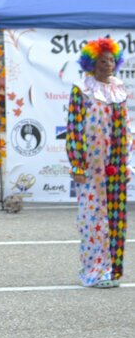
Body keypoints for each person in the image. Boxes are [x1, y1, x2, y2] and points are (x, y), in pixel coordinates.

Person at [66, 37, 128, 288]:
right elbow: (74, 128)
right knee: (92, 217)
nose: (109, 65)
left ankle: (110, 269)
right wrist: (77, 164)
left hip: (114, 164)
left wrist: (124, 163)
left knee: (114, 217)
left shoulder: (118, 89)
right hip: (90, 165)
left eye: (112, 60)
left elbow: (123, 129)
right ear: (92, 63)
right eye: (103, 61)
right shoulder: (82, 89)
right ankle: (93, 270)